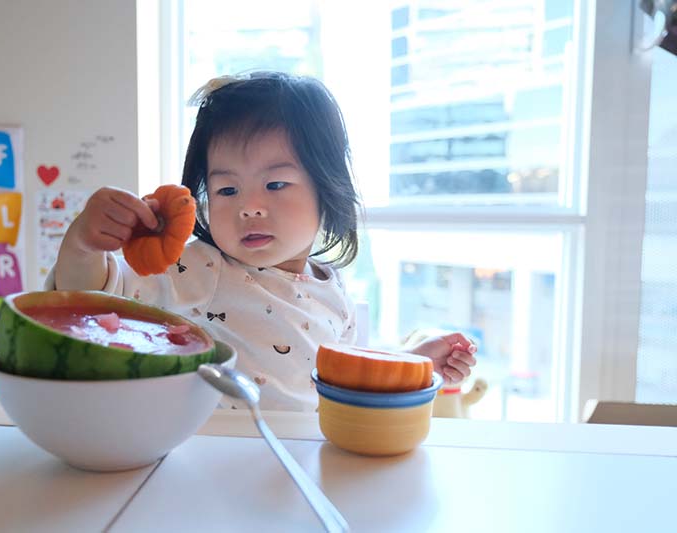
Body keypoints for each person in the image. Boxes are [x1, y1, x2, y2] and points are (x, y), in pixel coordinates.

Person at [48, 71, 477, 411]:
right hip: (215, 464)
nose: (249, 207)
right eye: (227, 191)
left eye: (275, 184)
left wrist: (417, 363)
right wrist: (85, 244)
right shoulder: (201, 269)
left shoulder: (333, 290)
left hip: (300, 464)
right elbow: (94, 297)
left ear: (327, 189)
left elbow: (347, 379)